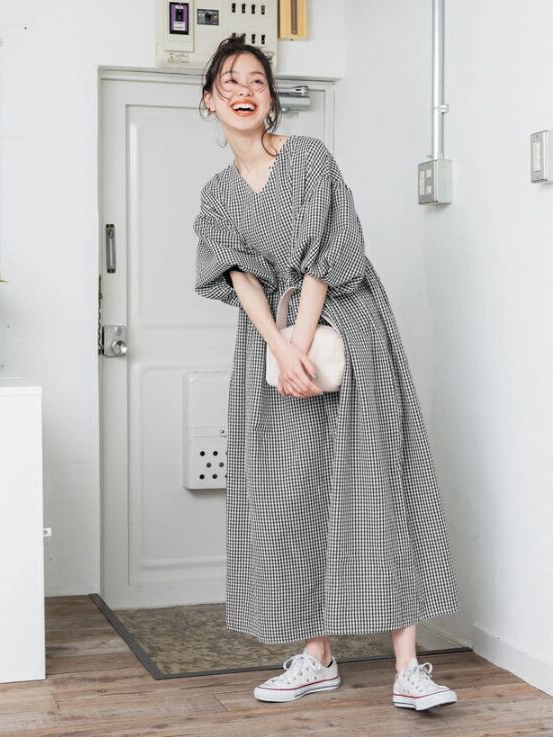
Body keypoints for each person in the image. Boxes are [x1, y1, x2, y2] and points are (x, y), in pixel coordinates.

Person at [193, 33, 461, 711]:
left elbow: (326, 254)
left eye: (256, 80)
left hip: (345, 328)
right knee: (289, 492)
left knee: (375, 481)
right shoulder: (217, 194)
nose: (244, 91)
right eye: (229, 81)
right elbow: (239, 279)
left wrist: (302, 341)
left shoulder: (308, 157)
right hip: (273, 345)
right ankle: (316, 657)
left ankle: (409, 667)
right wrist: (280, 349)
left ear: (271, 99)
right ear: (209, 101)